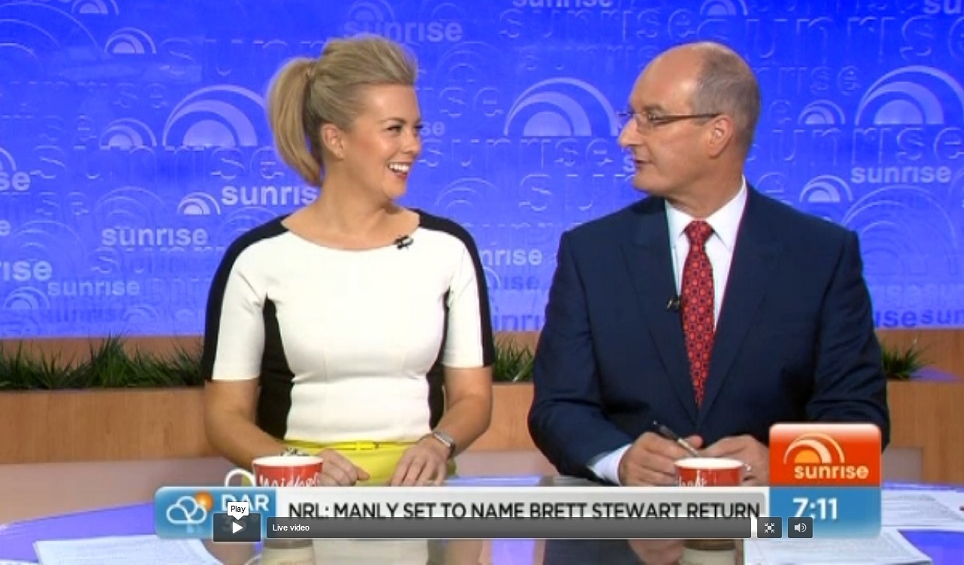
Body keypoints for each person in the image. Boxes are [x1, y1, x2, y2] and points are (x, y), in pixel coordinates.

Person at [527, 41, 889, 487]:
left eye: (653, 118)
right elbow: (558, 407)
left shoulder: (821, 255)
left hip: (773, 522)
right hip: (633, 521)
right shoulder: (591, 254)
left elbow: (860, 417)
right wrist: (620, 461)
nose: (628, 137)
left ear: (718, 133)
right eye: (632, 117)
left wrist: (784, 464)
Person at [201, 35, 494, 487]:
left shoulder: (448, 248)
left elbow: (473, 398)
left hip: (417, 496)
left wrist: (439, 444)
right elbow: (224, 418)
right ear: (335, 139)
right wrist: (294, 465)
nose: (413, 146)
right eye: (394, 129)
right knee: (242, 528)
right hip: (297, 495)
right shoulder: (256, 259)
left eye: (416, 129)